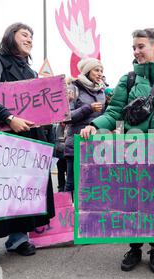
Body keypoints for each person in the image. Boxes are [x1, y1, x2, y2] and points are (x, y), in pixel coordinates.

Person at [81, 28, 154, 274]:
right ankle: (134, 248)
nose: (136, 51)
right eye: (134, 47)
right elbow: (113, 114)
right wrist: (94, 125)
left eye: (141, 46)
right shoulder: (128, 80)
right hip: (133, 152)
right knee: (133, 199)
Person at [0, 22, 55, 265]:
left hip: (29, 141)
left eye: (31, 36)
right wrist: (9, 117)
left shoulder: (32, 73)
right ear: (10, 36)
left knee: (25, 189)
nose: (29, 39)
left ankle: (18, 238)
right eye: (24, 34)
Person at [64, 58, 106, 196]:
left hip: (96, 146)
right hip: (76, 145)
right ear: (87, 71)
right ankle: (68, 215)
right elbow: (66, 116)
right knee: (72, 184)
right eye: (96, 70)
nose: (100, 73)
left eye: (101, 70)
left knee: (92, 184)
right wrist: (88, 108)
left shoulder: (101, 92)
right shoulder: (73, 88)